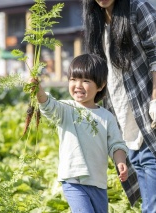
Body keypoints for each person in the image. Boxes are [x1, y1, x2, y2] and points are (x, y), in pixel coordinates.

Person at [82, 0, 156, 211]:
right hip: (122, 98)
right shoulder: (96, 18)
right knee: (136, 156)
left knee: (152, 155)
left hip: (153, 93)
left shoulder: (138, 9)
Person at [33, 54, 140, 213]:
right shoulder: (66, 109)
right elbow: (48, 105)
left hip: (98, 182)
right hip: (73, 180)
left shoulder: (107, 117)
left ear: (101, 85)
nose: (78, 85)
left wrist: (120, 162)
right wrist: (38, 89)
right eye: (73, 79)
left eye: (85, 81)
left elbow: (116, 144)